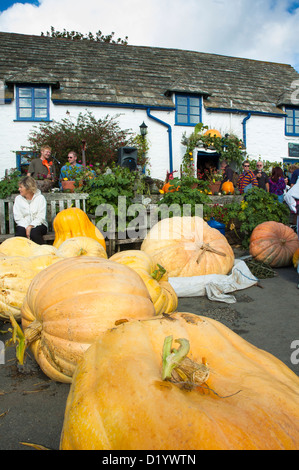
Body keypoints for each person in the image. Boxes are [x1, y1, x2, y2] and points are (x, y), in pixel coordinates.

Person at [13, 176, 48, 244]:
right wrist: (27, 227)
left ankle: (41, 252)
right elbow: (18, 217)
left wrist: (31, 226)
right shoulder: (18, 199)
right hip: (23, 224)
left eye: (21, 187)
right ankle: (21, 254)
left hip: (39, 224)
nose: (19, 189)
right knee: (20, 234)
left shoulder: (40, 198)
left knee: (34, 233)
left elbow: (41, 217)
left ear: (28, 188)